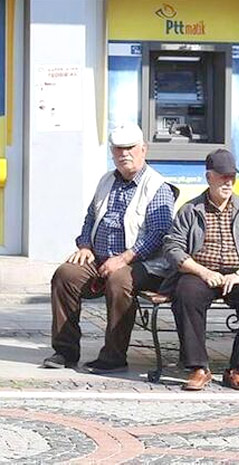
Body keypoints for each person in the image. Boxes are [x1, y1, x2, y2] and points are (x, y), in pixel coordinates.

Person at [44, 123, 175, 373]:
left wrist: (124, 258)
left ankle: (114, 356)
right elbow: (91, 217)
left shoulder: (157, 186)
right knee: (66, 274)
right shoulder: (106, 180)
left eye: (130, 148)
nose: (124, 153)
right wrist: (84, 245)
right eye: (118, 149)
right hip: (100, 258)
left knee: (119, 280)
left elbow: (159, 234)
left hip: (142, 263)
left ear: (143, 150)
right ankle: (65, 351)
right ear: (112, 152)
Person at [161, 149, 239, 391]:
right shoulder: (191, 210)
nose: (228, 182)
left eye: (232, 176)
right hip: (201, 271)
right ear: (209, 177)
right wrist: (202, 272)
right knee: (186, 295)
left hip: (238, 272)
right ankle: (198, 367)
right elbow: (173, 247)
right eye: (223, 176)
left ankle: (237, 368)